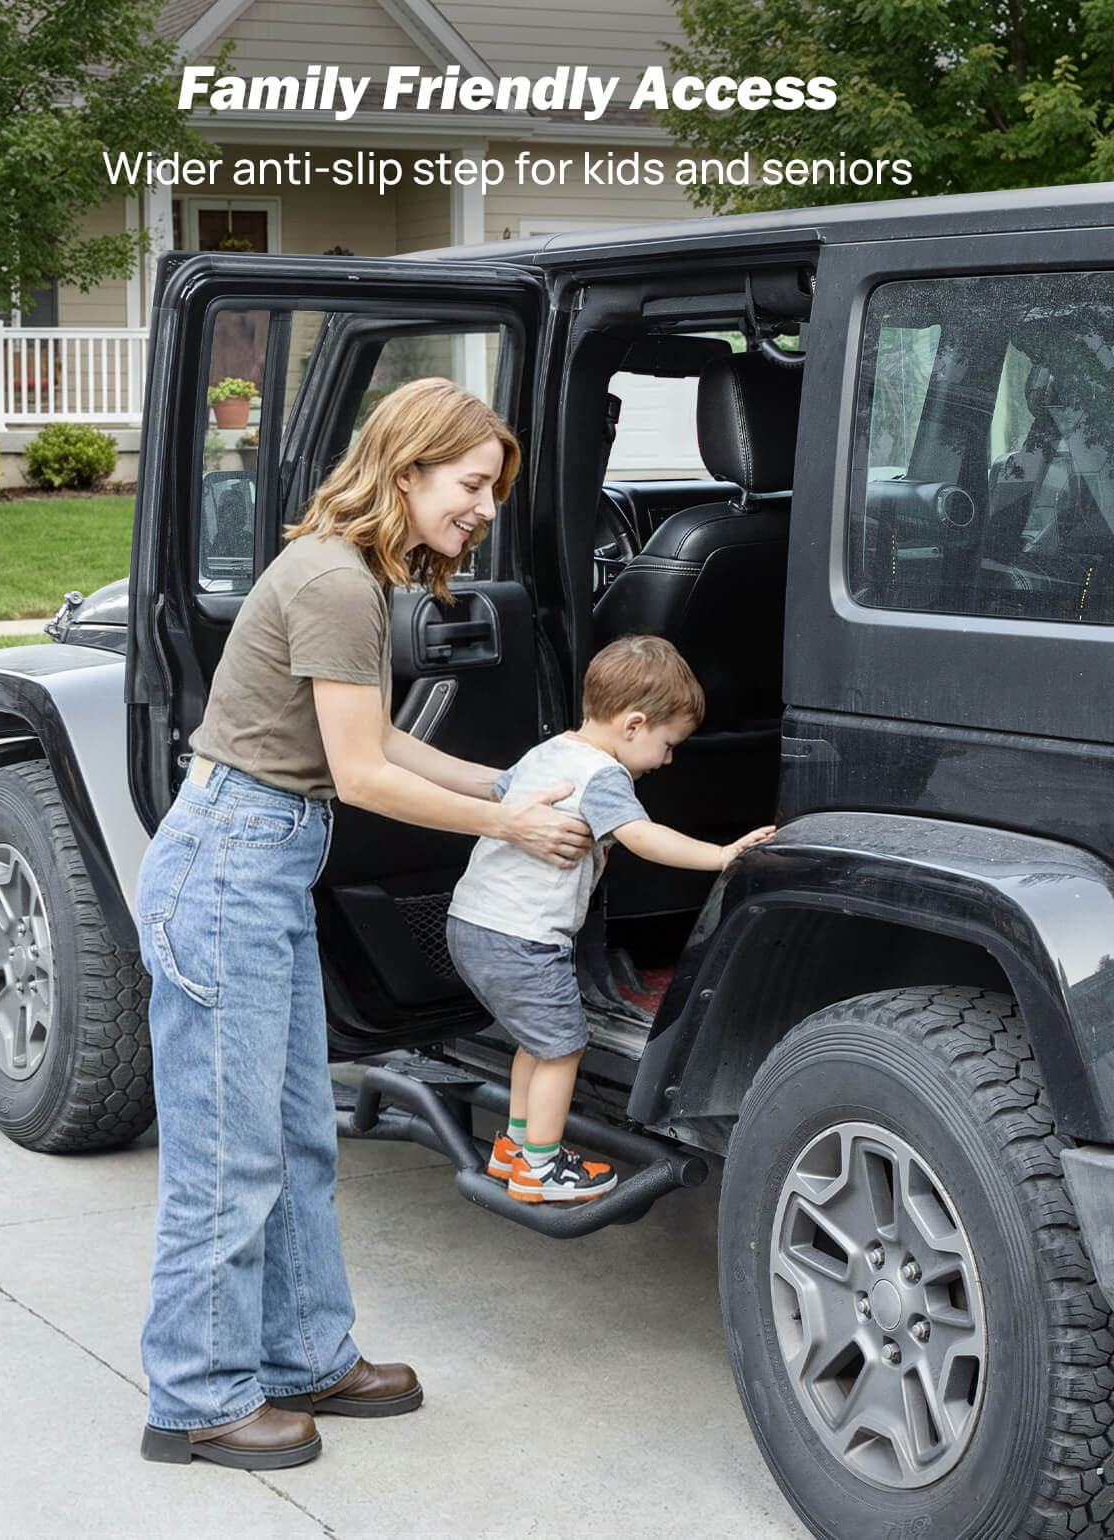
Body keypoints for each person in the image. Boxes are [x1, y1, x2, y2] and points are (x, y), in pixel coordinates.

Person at [135, 377, 591, 1470]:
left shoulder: (351, 575)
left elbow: (381, 741)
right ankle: (196, 1396)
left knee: (295, 1136)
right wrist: (513, 829)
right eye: (471, 485)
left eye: (491, 489)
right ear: (407, 472)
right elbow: (364, 776)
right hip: (229, 865)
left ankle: (303, 1355)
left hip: (263, 860)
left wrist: (509, 783)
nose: (482, 508)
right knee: (228, 1151)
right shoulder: (336, 583)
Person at [446, 634, 775, 1203]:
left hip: (471, 923)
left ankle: (517, 1149)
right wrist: (721, 856)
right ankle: (542, 1169)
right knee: (563, 1048)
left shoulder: (548, 752)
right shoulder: (604, 774)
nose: (669, 760)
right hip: (524, 938)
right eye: (668, 744)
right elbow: (642, 837)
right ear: (633, 724)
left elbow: (503, 794)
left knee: (537, 1041)